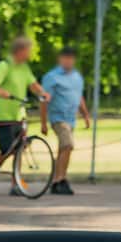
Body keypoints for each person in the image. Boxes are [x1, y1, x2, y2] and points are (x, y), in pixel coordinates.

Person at [0, 36, 47, 196]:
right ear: (20, 51)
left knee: (19, 148)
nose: (30, 54)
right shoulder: (4, 66)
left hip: (19, 115)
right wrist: (1, 91)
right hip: (4, 114)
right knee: (7, 150)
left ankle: (15, 183)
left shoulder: (24, 68)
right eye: (28, 51)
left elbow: (32, 84)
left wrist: (43, 93)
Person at [37, 44, 91, 196]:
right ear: (60, 59)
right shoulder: (52, 77)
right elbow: (43, 99)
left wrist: (85, 114)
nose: (68, 62)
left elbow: (79, 96)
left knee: (63, 149)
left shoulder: (76, 77)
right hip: (58, 117)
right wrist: (43, 122)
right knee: (68, 145)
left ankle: (58, 180)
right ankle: (59, 179)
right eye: (65, 58)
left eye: (71, 59)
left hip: (71, 118)